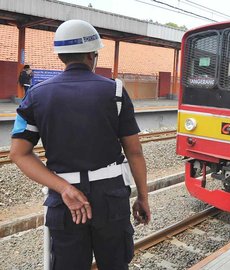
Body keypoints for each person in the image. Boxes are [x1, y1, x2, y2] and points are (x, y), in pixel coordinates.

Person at [9, 20, 150, 270]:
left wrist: (63, 188)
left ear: (61, 56)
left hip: (66, 202)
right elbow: (135, 152)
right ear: (91, 54)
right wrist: (143, 197)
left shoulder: (35, 95)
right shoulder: (115, 91)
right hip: (111, 199)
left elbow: (19, 154)